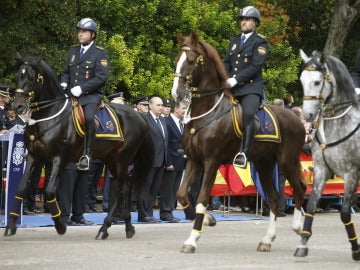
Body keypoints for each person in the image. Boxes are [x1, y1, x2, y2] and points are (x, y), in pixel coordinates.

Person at [60, 18, 109, 171]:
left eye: (84, 31)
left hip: (90, 96)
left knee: (88, 118)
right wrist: (63, 83)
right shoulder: (73, 50)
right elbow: (66, 72)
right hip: (70, 94)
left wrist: (82, 88)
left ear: (92, 35)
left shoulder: (100, 53)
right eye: (79, 31)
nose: (80, 34)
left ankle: (87, 155)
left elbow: (101, 78)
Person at [224, 6, 269, 168]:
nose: (243, 22)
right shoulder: (234, 40)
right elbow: (227, 63)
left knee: (248, 114)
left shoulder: (260, 42)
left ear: (255, 23)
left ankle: (244, 153)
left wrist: (235, 80)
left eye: (247, 19)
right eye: (242, 19)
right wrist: (223, 78)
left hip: (251, 88)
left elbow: (255, 66)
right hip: (233, 88)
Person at [137, 96, 168, 223]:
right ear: (150, 105)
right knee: (145, 188)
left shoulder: (162, 120)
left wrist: (167, 160)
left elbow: (165, 141)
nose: (161, 107)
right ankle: (143, 215)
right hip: (148, 160)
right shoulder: (144, 119)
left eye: (161, 105)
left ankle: (149, 214)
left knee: (154, 190)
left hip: (161, 160)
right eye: (158, 105)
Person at [160, 100, 187, 222]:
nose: (184, 111)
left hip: (181, 161)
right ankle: (165, 212)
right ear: (176, 109)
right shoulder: (167, 122)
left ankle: (170, 211)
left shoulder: (181, 123)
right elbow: (166, 144)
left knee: (174, 188)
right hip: (171, 161)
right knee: (168, 188)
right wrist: (168, 162)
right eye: (183, 108)